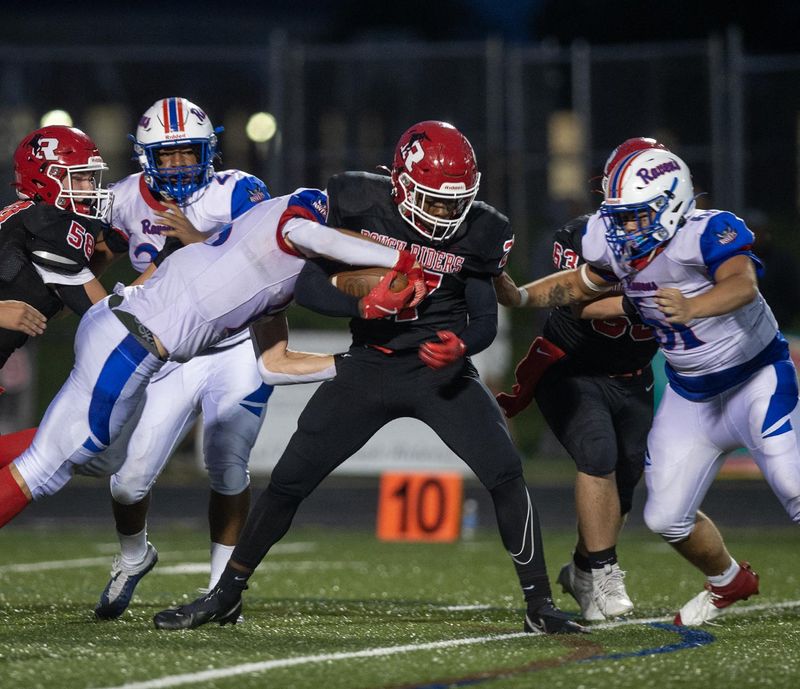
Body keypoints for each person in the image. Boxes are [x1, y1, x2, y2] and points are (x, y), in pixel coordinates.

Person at [152, 120, 587, 635]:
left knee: (506, 473)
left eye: (457, 203)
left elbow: (486, 319)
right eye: (436, 200)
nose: (447, 213)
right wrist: (364, 299)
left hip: (439, 374)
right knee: (289, 481)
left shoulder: (483, 231)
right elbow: (308, 285)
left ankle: (538, 603)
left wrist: (461, 345)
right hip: (369, 364)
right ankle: (225, 595)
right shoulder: (359, 201)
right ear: (400, 185)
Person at [0, 186, 425, 535]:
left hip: (125, 336)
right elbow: (314, 236)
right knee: (46, 468)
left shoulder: (272, 272)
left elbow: (273, 364)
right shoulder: (302, 216)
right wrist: (403, 259)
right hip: (131, 343)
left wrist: (350, 361)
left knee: (94, 457)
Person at [495, 147, 800, 626]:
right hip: (690, 392)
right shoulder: (609, 239)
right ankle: (729, 581)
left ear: (673, 202)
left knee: (793, 486)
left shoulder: (706, 231)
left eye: (637, 216)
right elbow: (583, 284)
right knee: (665, 518)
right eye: (619, 217)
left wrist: (694, 307)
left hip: (754, 378)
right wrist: (524, 295)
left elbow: (743, 285)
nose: (625, 228)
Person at [79, 97, 276, 620]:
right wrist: (94, 297)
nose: (180, 165)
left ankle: (221, 592)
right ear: (146, 158)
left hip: (236, 348)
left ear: (208, 150)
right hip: (166, 352)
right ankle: (132, 555)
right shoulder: (124, 199)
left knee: (227, 465)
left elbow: (267, 258)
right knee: (129, 478)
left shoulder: (238, 191)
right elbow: (91, 258)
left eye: (189, 152)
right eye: (166, 156)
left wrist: (200, 242)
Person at [496, 137, 664, 621]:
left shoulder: (680, 241)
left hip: (634, 376)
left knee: (627, 482)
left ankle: (583, 570)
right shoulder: (584, 236)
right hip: (571, 367)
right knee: (598, 455)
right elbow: (577, 300)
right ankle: (606, 572)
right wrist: (644, 297)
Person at [0, 125, 112, 368]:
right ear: (44, 179)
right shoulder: (47, 225)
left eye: (90, 178)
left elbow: (63, 303)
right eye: (78, 178)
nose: (89, 189)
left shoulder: (22, 219)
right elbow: (111, 321)